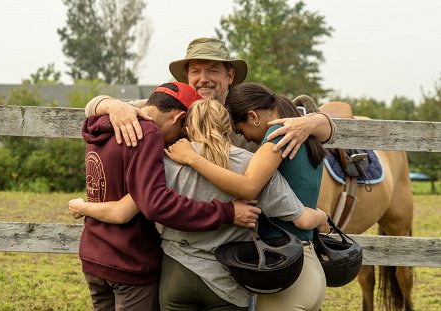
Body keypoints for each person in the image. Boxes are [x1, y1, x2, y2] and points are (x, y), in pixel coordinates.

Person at [70, 98, 328, 310]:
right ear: (229, 128)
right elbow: (301, 218)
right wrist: (322, 218)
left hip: (176, 275)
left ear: (188, 128)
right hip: (228, 279)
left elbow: (124, 210)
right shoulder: (255, 166)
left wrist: (83, 207)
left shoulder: (166, 164)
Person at [74, 82, 261, 311]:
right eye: (184, 129)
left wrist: (83, 207)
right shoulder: (150, 134)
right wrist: (227, 211)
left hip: (94, 254)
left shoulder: (104, 126)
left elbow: (126, 203)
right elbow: (157, 205)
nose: (182, 138)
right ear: (178, 117)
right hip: (129, 259)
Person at [165, 83, 329, 311]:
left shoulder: (277, 138)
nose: (248, 140)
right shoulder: (303, 133)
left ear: (253, 116)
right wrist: (321, 217)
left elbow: (249, 186)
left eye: (241, 131)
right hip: (307, 265)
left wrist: (192, 158)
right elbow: (329, 128)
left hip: (282, 269)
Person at [84, 37, 336, 158]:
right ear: (187, 77)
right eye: (196, 71)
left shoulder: (248, 107)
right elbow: (92, 106)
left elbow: (329, 130)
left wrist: (309, 123)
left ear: (230, 75)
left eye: (212, 70)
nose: (203, 78)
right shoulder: (172, 105)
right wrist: (115, 106)